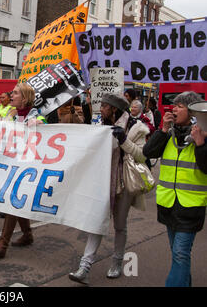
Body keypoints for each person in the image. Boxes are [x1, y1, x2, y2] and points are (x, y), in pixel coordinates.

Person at [68, 92, 150, 285]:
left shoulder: (135, 128)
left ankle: (117, 263)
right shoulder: (101, 126)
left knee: (120, 226)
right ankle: (84, 267)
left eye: (104, 106)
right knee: (95, 222)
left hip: (124, 184)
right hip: (102, 183)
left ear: (114, 109)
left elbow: (142, 156)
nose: (101, 109)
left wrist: (124, 140)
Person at [143, 91, 207, 287]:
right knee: (177, 253)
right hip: (168, 204)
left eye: (179, 106)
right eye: (174, 105)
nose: (174, 109)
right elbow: (148, 153)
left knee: (180, 253)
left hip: (191, 206)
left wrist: (200, 144)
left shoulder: (203, 134)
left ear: (193, 111)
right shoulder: (168, 133)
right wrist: (162, 130)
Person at [0, 83, 47, 259]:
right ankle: (27, 235)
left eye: (15, 93)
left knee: (13, 200)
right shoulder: (12, 116)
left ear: (25, 97)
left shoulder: (35, 114)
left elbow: (47, 126)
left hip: (29, 165)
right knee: (15, 199)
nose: (11, 95)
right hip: (12, 162)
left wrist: (39, 123)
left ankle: (2, 245)